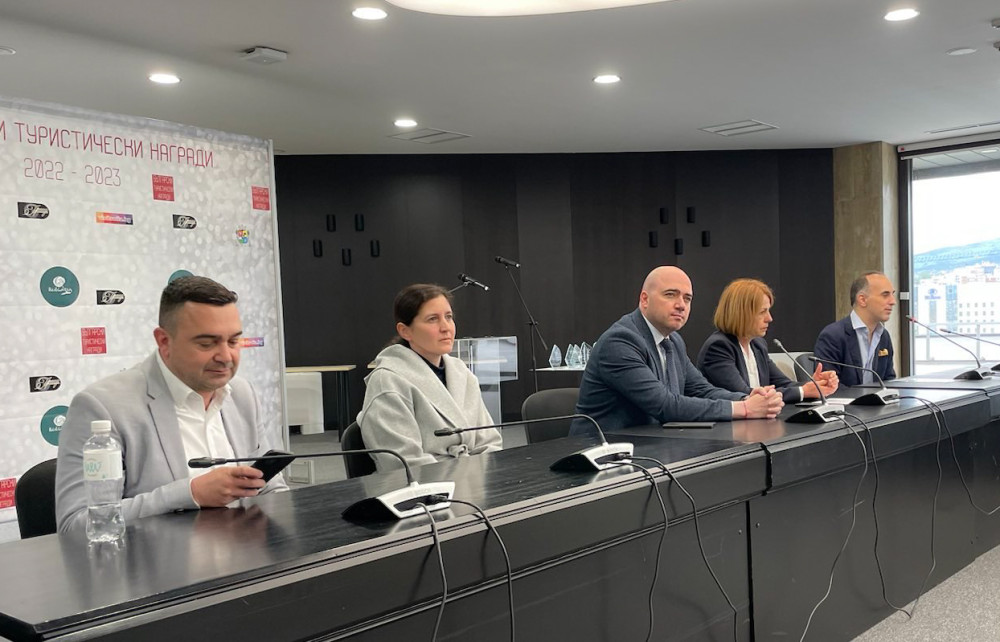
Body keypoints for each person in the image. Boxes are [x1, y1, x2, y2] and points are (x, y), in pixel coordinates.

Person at [55, 276, 287, 534]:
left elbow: (272, 490)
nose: (225, 357)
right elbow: (76, 523)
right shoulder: (102, 407)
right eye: (206, 344)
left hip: (247, 555)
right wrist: (189, 494)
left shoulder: (242, 394)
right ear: (164, 342)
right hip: (158, 559)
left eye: (233, 342)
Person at [574, 266, 784, 433]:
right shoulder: (620, 341)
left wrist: (746, 398)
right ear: (644, 299)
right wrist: (745, 409)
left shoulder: (673, 341)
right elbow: (665, 405)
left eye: (687, 298)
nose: (681, 305)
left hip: (652, 446)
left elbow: (702, 390)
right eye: (670, 295)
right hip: (602, 455)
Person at [357, 284, 501, 472]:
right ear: (405, 331)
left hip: (473, 479)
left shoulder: (462, 373)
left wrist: (490, 478)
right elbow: (403, 462)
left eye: (448, 317)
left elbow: (489, 442)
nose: (446, 327)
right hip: (423, 486)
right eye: (433, 319)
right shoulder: (387, 381)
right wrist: (465, 479)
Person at [697, 278, 838, 403]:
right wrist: (804, 391)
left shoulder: (758, 345)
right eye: (762, 312)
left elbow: (784, 384)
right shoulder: (719, 347)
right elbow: (745, 395)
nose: (769, 318)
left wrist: (813, 384)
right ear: (742, 314)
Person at [814, 271, 897, 386]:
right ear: (862, 299)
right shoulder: (833, 336)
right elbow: (828, 387)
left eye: (892, 294)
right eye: (885, 295)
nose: (893, 301)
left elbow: (889, 380)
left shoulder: (883, 335)